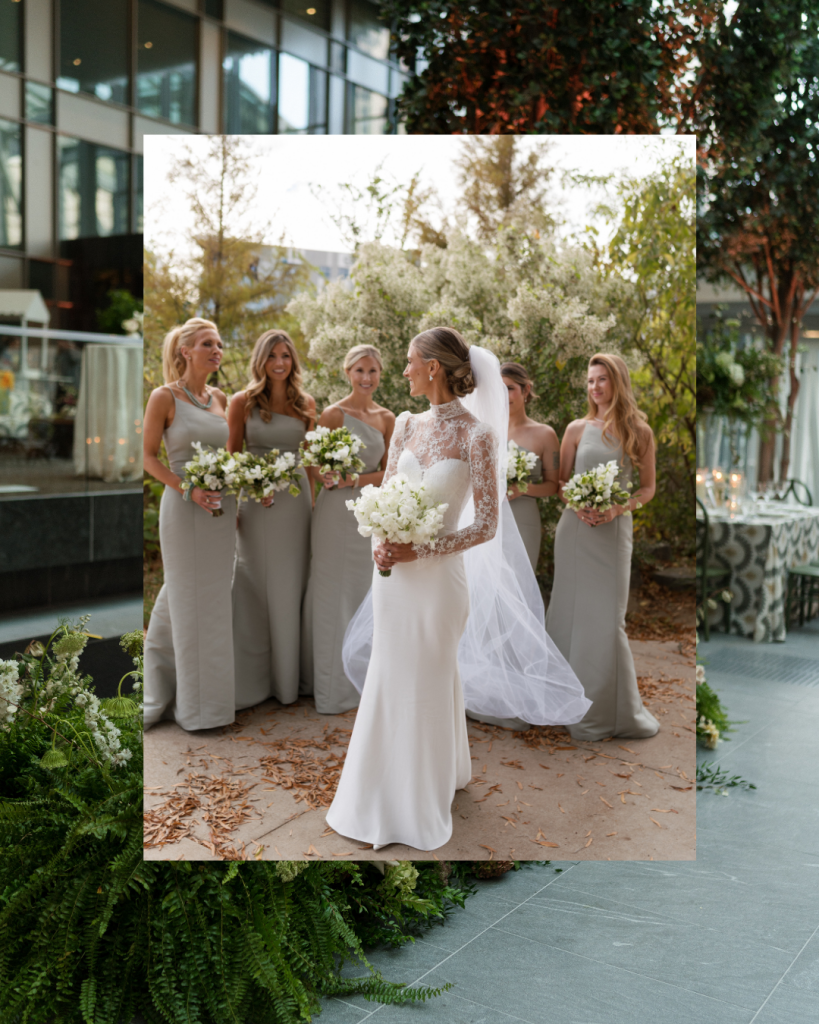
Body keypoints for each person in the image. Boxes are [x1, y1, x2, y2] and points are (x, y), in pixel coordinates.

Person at [327, 329, 590, 852]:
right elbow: (385, 495)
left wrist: (418, 551)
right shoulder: (404, 424)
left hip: (439, 583)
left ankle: (419, 800)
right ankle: (376, 792)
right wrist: (381, 541)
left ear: (434, 368)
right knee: (391, 675)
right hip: (394, 581)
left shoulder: (477, 435)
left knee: (427, 678)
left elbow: (487, 526)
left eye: (409, 363)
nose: (401, 372)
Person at [545, 352, 659, 741]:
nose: (594, 387)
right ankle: (563, 704)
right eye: (590, 380)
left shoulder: (638, 431)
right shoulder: (576, 428)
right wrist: (578, 502)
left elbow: (647, 488)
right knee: (568, 614)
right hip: (575, 532)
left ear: (617, 382)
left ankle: (608, 712)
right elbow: (560, 482)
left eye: (601, 380)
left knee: (608, 621)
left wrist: (616, 508)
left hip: (613, 534)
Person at [143, 318, 237, 731]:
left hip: (222, 510)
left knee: (212, 603)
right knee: (185, 598)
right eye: (206, 344)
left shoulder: (222, 399)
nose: (216, 350)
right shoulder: (164, 397)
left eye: (218, 344)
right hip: (183, 508)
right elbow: (147, 458)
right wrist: (189, 490)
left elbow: (231, 455)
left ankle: (195, 700)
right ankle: (196, 711)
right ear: (185, 351)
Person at [300, 344, 394, 714]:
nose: (366, 378)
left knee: (362, 594)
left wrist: (354, 478)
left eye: (372, 371)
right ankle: (328, 687)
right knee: (329, 594)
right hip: (333, 512)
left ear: (381, 374)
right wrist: (325, 476)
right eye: (359, 370)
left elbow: (391, 471)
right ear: (347, 372)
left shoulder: (387, 418)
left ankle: (361, 682)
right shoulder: (333, 414)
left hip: (367, 512)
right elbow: (312, 462)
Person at [228, 330, 316, 708]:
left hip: (296, 505)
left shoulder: (306, 404)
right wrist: (248, 488)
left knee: (290, 585)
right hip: (256, 502)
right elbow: (232, 455)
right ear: (260, 361)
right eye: (272, 356)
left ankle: (288, 680)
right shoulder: (241, 403)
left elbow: (310, 464)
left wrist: (315, 508)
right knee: (254, 584)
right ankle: (253, 679)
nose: (280, 363)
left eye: (286, 356)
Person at [502, 362, 560, 571]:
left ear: (526, 390)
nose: (504, 396)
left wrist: (522, 489)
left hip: (524, 520)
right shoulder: (487, 432)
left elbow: (553, 485)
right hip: (490, 520)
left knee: (520, 583)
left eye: (509, 388)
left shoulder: (545, 434)